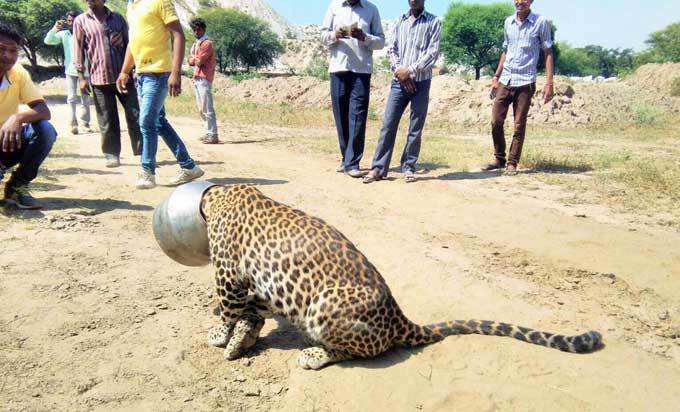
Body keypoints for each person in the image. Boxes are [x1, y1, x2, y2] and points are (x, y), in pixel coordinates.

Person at [117, 0, 204, 189]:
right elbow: (134, 43)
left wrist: (176, 72)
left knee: (146, 121)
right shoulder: (132, 6)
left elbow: (178, 34)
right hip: (140, 74)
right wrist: (125, 71)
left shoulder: (160, 2)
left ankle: (147, 172)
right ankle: (189, 167)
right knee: (158, 122)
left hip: (158, 74)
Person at [363, 0, 440, 184]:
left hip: (421, 82)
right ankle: (378, 168)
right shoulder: (399, 20)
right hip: (399, 81)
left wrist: (411, 71)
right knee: (388, 124)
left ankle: (408, 166)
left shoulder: (433, 22)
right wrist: (400, 72)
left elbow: (433, 52)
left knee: (415, 127)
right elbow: (391, 49)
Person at [482, 0, 554, 175]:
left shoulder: (540, 22)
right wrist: (496, 76)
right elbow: (505, 51)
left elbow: (548, 52)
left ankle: (512, 163)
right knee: (495, 121)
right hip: (506, 79)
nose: (519, 1)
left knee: (519, 124)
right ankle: (499, 158)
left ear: (531, 1)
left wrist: (549, 83)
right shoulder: (508, 22)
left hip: (525, 81)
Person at [73, 0, 143, 168]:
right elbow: (78, 50)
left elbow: (130, 45)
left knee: (135, 115)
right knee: (107, 119)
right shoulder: (80, 21)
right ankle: (112, 155)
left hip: (123, 77)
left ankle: (142, 152)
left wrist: (132, 70)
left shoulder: (118, 19)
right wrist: (81, 77)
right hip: (99, 79)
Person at [321, 0, 385, 178]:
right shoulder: (334, 6)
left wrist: (364, 36)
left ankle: (352, 162)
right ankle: (345, 157)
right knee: (341, 116)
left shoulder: (372, 9)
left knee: (357, 116)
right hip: (337, 69)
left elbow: (381, 41)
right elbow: (322, 37)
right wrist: (336, 34)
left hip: (361, 71)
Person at [0, 23, 58, 210]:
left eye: (13, 50)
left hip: (6, 141)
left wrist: (17, 118)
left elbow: (43, 111)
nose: (7, 56)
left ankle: (17, 186)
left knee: (45, 130)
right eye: (1, 49)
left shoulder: (18, 74)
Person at [43, 11, 91, 136]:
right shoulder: (65, 34)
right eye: (69, 20)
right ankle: (72, 123)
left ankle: (85, 123)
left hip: (86, 71)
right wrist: (55, 28)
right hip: (70, 70)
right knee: (71, 98)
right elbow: (48, 40)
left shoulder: (87, 32)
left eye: (73, 20)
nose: (71, 22)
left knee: (86, 97)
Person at [188, 18, 219, 145]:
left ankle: (213, 134)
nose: (196, 32)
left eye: (198, 29)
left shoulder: (207, 44)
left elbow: (199, 61)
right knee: (201, 108)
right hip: (197, 77)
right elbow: (190, 61)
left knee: (207, 107)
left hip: (204, 77)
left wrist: (194, 59)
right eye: (194, 30)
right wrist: (194, 59)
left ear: (203, 29)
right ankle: (207, 132)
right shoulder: (196, 44)